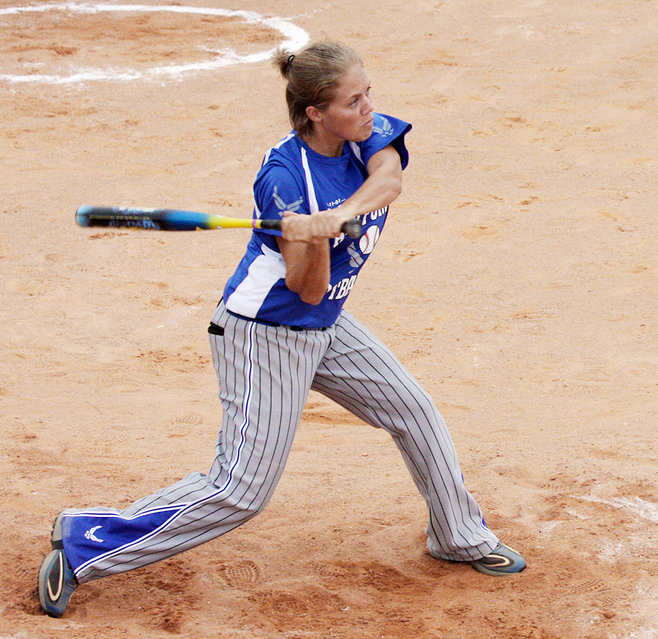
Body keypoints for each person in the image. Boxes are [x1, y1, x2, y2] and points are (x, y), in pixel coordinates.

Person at [38, 40, 525, 619]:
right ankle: (84, 544)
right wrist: (311, 237)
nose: (369, 107)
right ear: (315, 113)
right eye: (354, 100)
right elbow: (307, 288)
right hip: (264, 332)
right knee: (240, 491)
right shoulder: (285, 182)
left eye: (368, 92)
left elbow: (389, 177)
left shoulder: (362, 131)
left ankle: (458, 536)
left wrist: (340, 216)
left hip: (326, 327)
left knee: (412, 410)